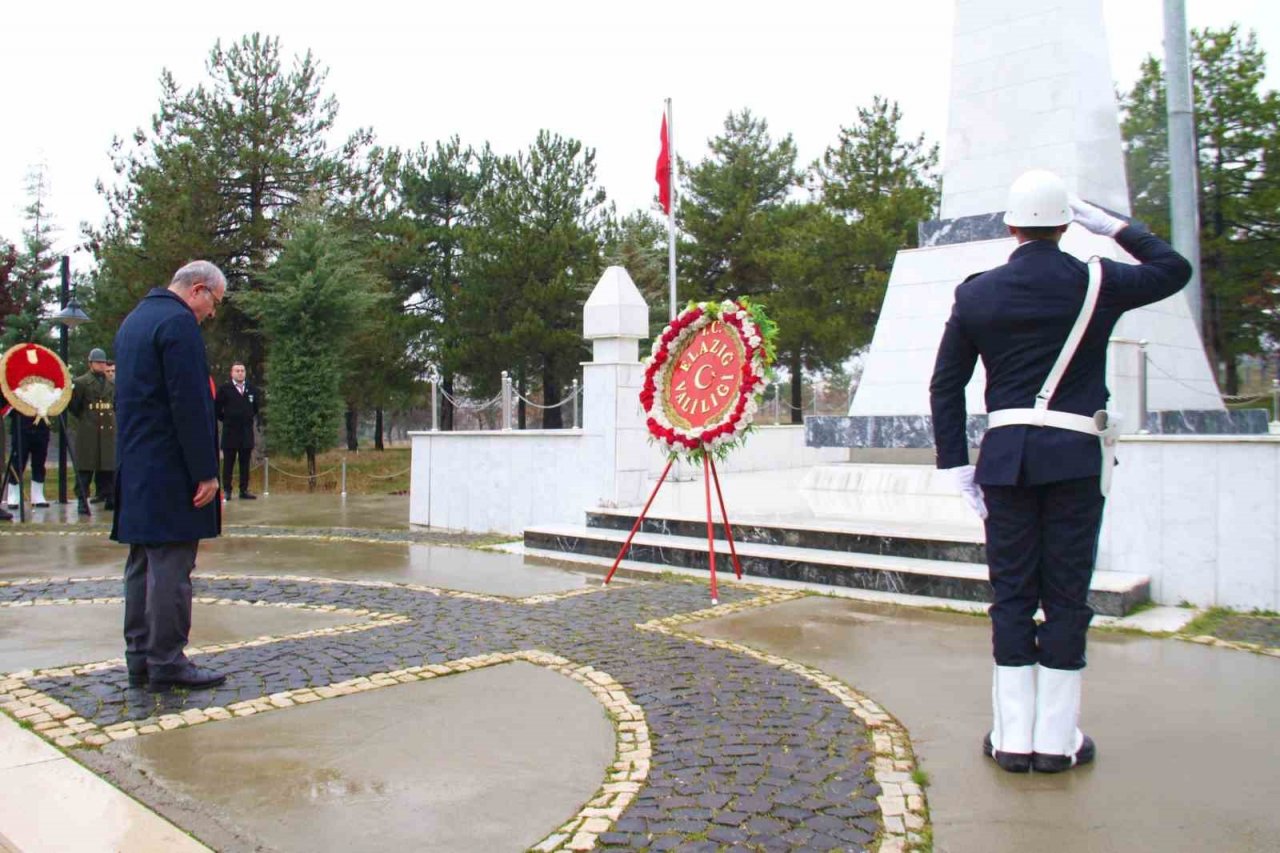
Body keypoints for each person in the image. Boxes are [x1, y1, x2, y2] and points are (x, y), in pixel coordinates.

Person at [929, 169, 1192, 774]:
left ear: (1010, 224)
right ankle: (1057, 740)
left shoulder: (976, 293)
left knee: (1014, 592)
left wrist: (953, 466)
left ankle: (1012, 737)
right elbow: (1174, 268)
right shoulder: (1099, 281)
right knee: (1067, 593)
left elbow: (946, 384)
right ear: (1065, 223)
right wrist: (1115, 226)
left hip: (1005, 459)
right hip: (1075, 459)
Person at [112, 260, 228, 692]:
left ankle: (139, 657)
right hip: (171, 469)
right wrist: (205, 472)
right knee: (172, 568)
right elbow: (191, 404)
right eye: (213, 303)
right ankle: (168, 660)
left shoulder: (134, 322)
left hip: (137, 465)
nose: (211, 314)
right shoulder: (178, 325)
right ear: (197, 290)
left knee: (141, 564)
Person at [68, 347, 116, 514]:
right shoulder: (81, 382)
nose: (101, 366)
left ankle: (110, 497)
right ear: (90, 364)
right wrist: (86, 418)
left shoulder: (111, 383)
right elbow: (74, 406)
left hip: (108, 430)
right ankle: (82, 499)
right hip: (89, 429)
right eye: (98, 362)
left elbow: (114, 405)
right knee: (85, 468)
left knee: (108, 467)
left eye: (103, 362)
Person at [215, 362, 260, 500]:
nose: (240, 373)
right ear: (232, 373)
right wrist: (228, 420)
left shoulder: (251, 389)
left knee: (244, 463)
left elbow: (255, 409)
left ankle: (244, 490)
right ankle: (227, 491)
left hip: (246, 433)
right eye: (237, 370)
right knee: (228, 463)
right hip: (230, 433)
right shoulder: (224, 389)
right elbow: (217, 409)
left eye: (242, 370)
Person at [6, 412, 52, 509]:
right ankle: (13, 495)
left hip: (41, 423)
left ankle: (37, 495)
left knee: (39, 461)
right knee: (18, 461)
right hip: (21, 422)